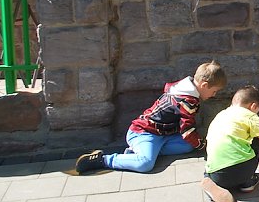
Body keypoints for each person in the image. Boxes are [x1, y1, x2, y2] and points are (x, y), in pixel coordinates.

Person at [75, 61, 226, 174]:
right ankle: (104, 159)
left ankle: (142, 153)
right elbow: (187, 130)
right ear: (204, 85)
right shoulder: (187, 100)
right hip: (143, 133)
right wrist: (204, 147)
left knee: (188, 146)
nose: (214, 95)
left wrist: (196, 143)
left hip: (163, 135)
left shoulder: (185, 87)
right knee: (145, 164)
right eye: (214, 91)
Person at [201, 85, 259, 202]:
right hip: (242, 171)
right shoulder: (250, 116)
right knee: (256, 140)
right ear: (254, 106)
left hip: (218, 174)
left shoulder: (220, 116)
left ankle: (211, 181)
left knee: (218, 151)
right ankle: (248, 181)